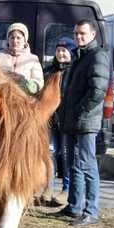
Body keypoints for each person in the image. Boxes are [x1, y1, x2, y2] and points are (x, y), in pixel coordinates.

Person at [56, 20, 110, 227]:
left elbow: (97, 90)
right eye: (76, 33)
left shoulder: (97, 56)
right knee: (73, 165)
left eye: (83, 34)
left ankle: (91, 210)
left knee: (87, 165)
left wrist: (79, 110)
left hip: (85, 121)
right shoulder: (79, 57)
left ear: (93, 34)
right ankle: (74, 206)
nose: (79, 37)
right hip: (72, 121)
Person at [42, 36, 76, 205]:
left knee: (65, 154)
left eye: (64, 51)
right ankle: (48, 187)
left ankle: (66, 189)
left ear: (71, 52)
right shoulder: (49, 71)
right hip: (50, 120)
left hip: (66, 121)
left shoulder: (74, 71)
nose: (61, 54)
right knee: (50, 153)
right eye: (59, 51)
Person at [0, 22, 44, 96]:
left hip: (23, 101)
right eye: (12, 37)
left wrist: (24, 82)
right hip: (0, 99)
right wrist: (3, 79)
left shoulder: (33, 59)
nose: (15, 41)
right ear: (8, 39)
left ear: (24, 40)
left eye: (18, 38)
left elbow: (39, 82)